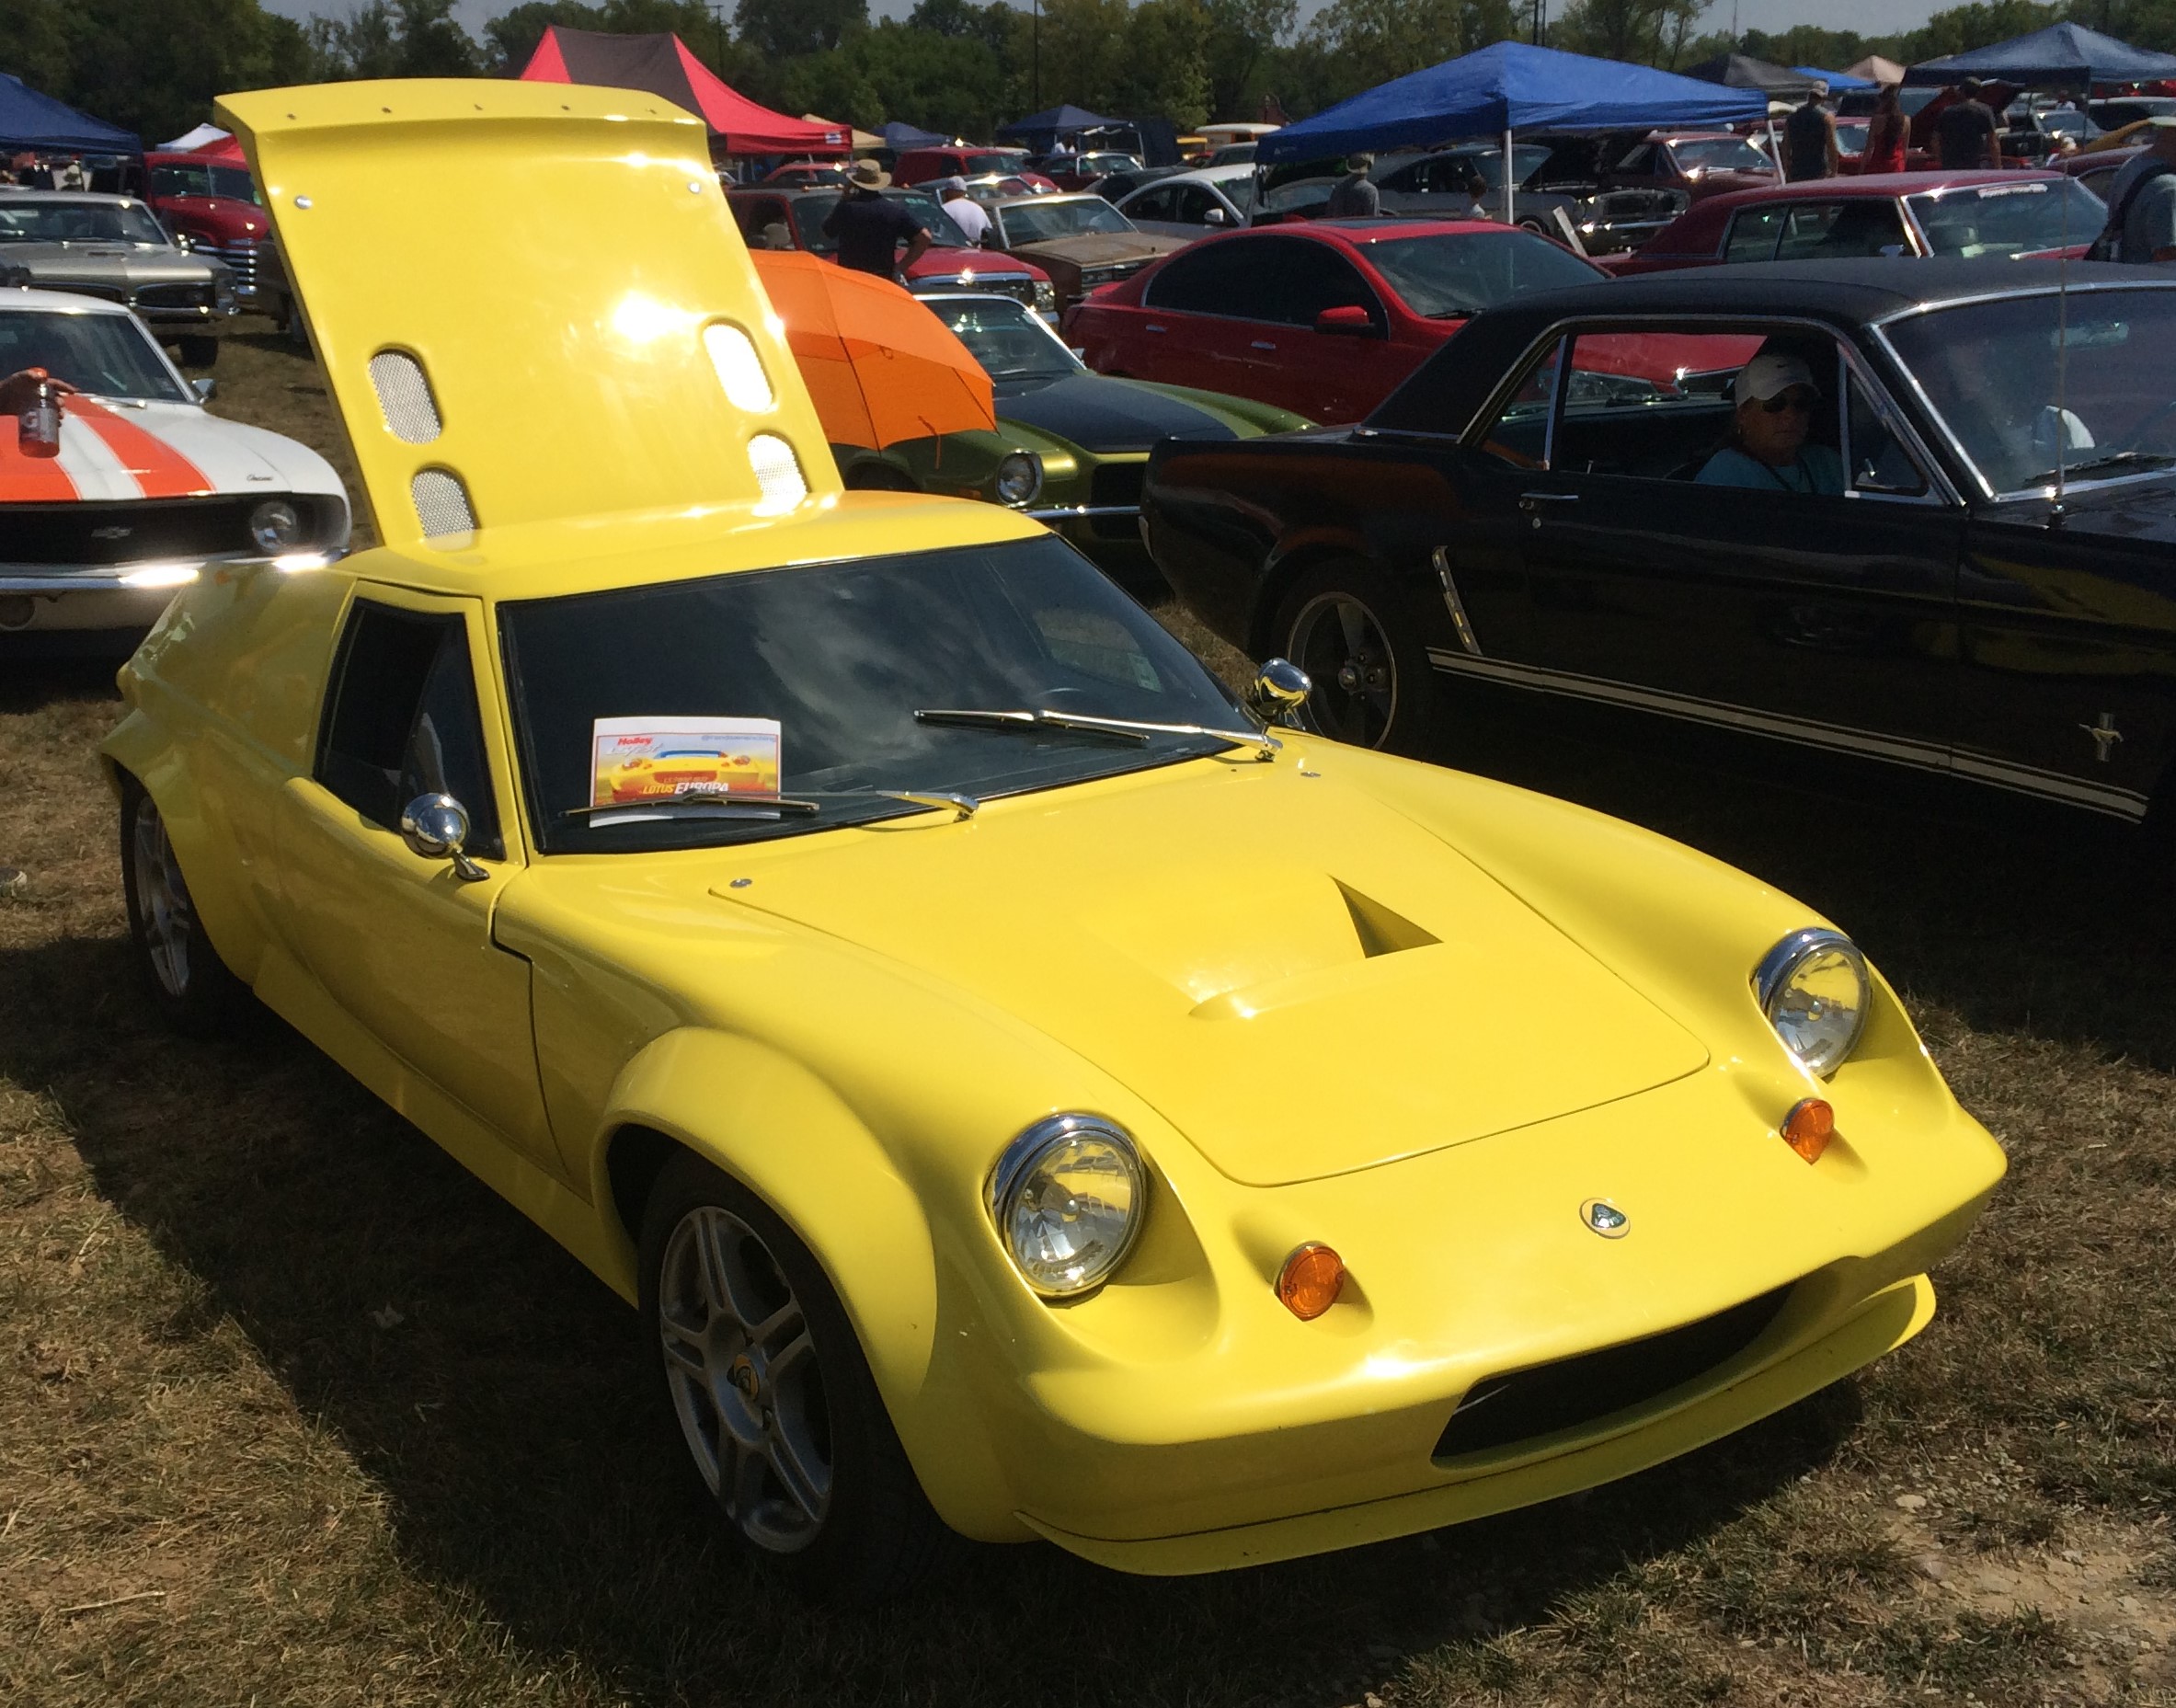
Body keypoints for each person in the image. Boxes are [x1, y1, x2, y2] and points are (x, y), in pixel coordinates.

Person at [1696, 353, 1845, 494]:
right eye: (1775, 404)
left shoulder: (1828, 462)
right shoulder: (1725, 473)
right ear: (1743, 414)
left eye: (1801, 403)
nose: (1791, 415)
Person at [821, 159, 930, 281]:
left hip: (852, 279)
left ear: (855, 183)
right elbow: (924, 237)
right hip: (883, 278)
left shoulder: (846, 209)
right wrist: (900, 267)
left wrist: (844, 197)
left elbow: (827, 232)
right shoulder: (893, 210)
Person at [2097, 115, 2176, 263]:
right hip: (2150, 275)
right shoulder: (2168, 189)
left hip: (2126, 270)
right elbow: (2167, 256)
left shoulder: (2132, 165)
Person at [1935, 78, 2001, 170]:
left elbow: (1936, 139)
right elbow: (1992, 141)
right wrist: (1998, 166)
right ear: (1978, 92)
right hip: (1975, 163)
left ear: (1961, 91)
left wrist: (1940, 160)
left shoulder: (1947, 112)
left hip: (1950, 164)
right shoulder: (1985, 111)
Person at [1782, 89, 1839, 181]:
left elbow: (1786, 145)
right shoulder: (1827, 117)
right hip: (1819, 169)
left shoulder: (1792, 117)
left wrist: (1786, 168)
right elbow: (1831, 145)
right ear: (1822, 99)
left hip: (1797, 169)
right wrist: (1834, 170)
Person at [1861, 83, 1909, 176]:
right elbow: (1904, 150)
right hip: (1897, 166)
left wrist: (1862, 169)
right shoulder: (1906, 120)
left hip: (1878, 165)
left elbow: (1869, 148)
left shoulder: (1877, 120)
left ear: (1885, 102)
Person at [935, 176, 991, 246]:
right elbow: (988, 232)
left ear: (950, 191)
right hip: (976, 250)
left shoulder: (945, 209)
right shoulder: (978, 209)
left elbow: (937, 235)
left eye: (946, 191)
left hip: (953, 250)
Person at [1325, 153, 1380, 218]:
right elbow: (1373, 219)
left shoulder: (1339, 188)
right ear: (1369, 166)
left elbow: (1329, 215)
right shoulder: (1370, 191)